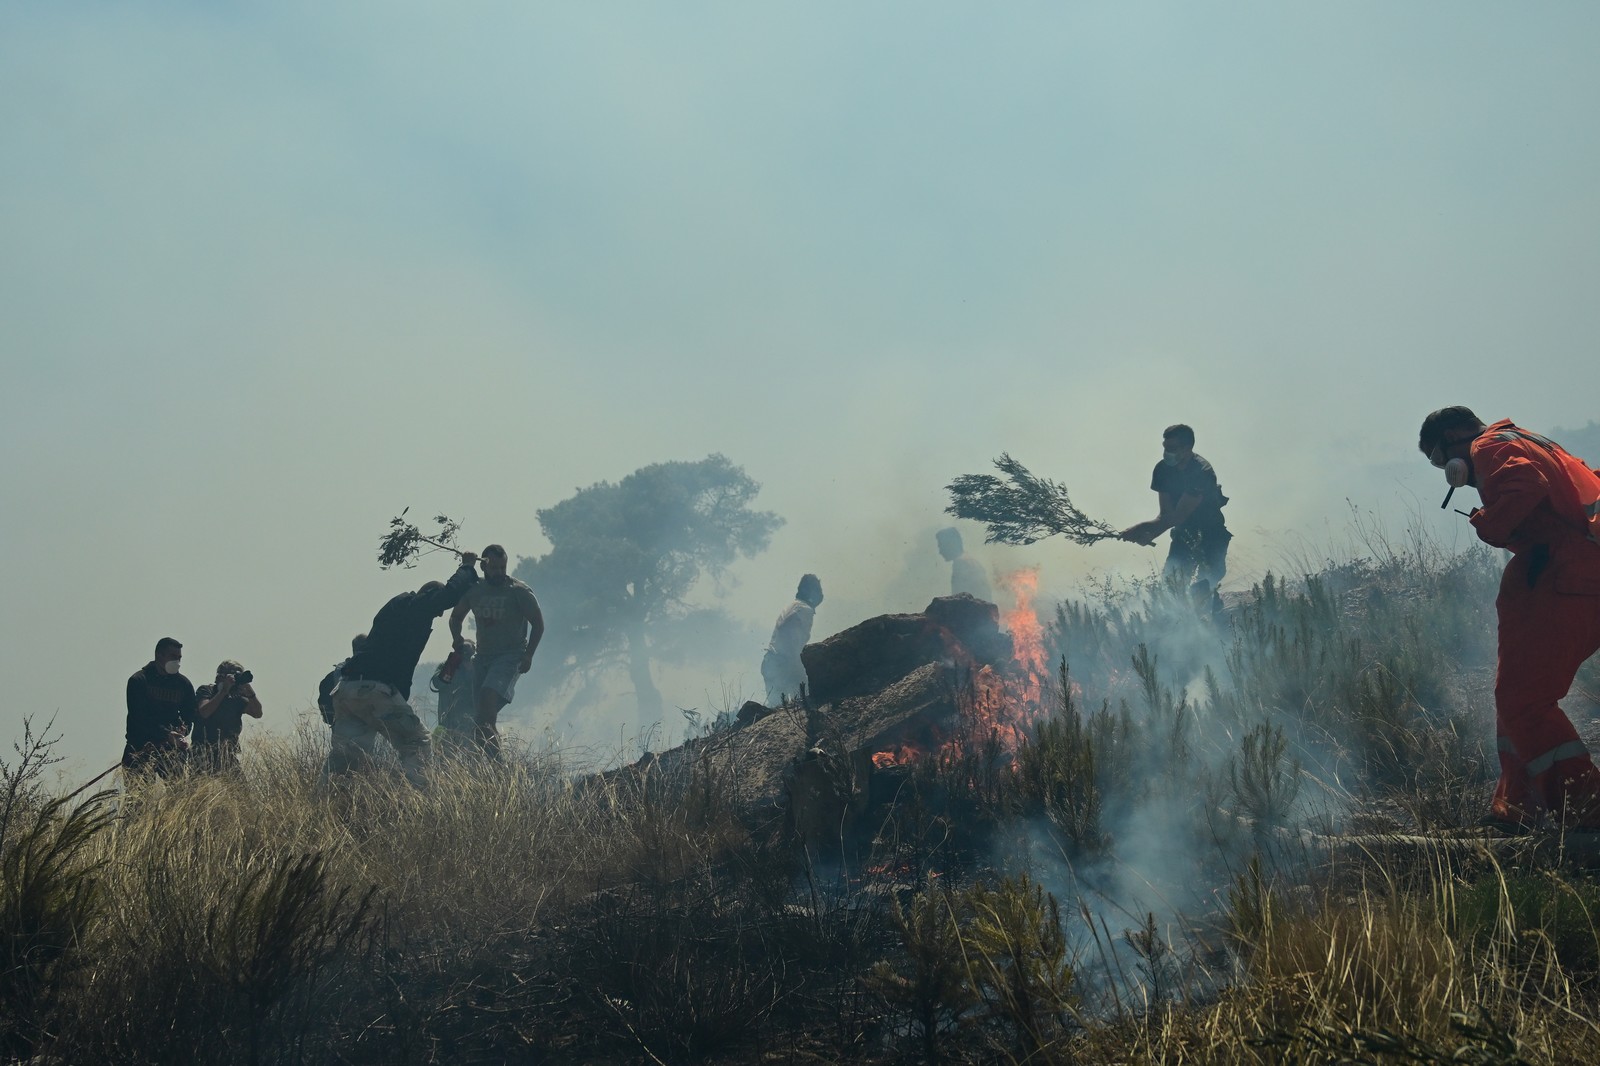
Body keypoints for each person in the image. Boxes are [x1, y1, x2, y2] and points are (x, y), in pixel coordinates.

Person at [1418, 406, 1600, 830]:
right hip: (1575, 575)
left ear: (1455, 434)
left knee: (1523, 700)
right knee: (1513, 694)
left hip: (1561, 577)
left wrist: (1491, 525)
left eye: (1438, 457)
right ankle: (1519, 806)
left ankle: (1586, 808)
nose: (1445, 468)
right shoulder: (1526, 439)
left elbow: (1524, 486)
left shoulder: (1488, 445)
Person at [323, 553, 478, 788]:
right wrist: (467, 567)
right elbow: (448, 595)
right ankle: (418, 800)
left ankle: (326, 799)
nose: (436, 616)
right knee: (417, 743)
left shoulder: (393, 608)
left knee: (345, 756)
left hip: (348, 690)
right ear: (430, 597)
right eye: (436, 612)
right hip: (377, 690)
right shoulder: (416, 607)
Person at [1120, 423, 1231, 609]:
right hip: (1183, 534)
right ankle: (1175, 627)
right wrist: (1150, 534)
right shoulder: (1162, 470)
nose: (1166, 453)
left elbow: (1178, 516)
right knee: (1171, 585)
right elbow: (1165, 515)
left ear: (1188, 448)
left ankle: (1215, 622)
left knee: (1204, 586)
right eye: (1165, 447)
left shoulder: (1202, 472)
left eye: (1172, 448)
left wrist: (1140, 528)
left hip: (1212, 534)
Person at [448, 545, 544, 757]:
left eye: (503, 567)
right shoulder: (474, 590)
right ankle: (490, 767)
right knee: (480, 719)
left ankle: (497, 766)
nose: (500, 572)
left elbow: (538, 623)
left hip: (510, 657)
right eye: (495, 568)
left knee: (487, 696)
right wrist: (457, 637)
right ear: (484, 567)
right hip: (482, 658)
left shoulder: (518, 591)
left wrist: (529, 655)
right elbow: (456, 617)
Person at [123, 636, 197, 776]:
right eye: (173, 656)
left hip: (172, 750)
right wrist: (165, 734)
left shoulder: (184, 684)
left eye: (179, 657)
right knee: (138, 796)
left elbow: (190, 712)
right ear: (159, 655)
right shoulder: (138, 680)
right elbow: (138, 717)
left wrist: (183, 729)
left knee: (177, 794)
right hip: (140, 747)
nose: (177, 661)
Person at [191, 660, 263, 773]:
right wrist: (224, 691)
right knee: (200, 788)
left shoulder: (237, 698)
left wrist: (249, 691)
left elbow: (257, 713)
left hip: (228, 753)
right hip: (203, 751)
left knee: (240, 790)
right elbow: (204, 712)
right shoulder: (207, 691)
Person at [762, 574, 823, 707]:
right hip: (783, 664)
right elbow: (794, 646)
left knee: (777, 707)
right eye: (818, 590)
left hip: (771, 661)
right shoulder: (804, 610)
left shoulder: (793, 606)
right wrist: (800, 670)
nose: (821, 595)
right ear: (811, 592)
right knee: (804, 701)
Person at [317, 634, 367, 727]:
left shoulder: (335, 675)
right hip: (372, 728)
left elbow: (325, 705)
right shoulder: (376, 673)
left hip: (342, 727)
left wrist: (332, 720)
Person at [936, 527, 993, 603]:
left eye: (941, 545)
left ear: (950, 544)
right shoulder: (968, 561)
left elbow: (959, 601)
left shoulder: (961, 564)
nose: (940, 551)